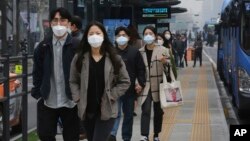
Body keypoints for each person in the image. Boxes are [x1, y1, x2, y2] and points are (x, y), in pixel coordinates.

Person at [69, 21, 131, 141]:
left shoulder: (114, 58)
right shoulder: (79, 58)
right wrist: (77, 97)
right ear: (86, 37)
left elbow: (125, 81)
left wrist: (112, 95)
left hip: (107, 110)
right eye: (91, 33)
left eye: (98, 33)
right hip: (87, 110)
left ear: (104, 36)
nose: (94, 36)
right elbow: (73, 80)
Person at [31, 8, 79, 141]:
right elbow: (37, 71)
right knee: (45, 135)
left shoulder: (77, 46)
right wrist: (38, 92)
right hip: (48, 99)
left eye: (63, 20)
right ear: (51, 23)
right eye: (55, 20)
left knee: (72, 136)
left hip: (70, 100)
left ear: (69, 24)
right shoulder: (42, 47)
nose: (59, 24)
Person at [107, 26, 146, 141]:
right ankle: (112, 135)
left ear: (129, 37)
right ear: (115, 37)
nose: (121, 38)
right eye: (119, 36)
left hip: (129, 89)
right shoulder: (111, 52)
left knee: (128, 115)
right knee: (115, 114)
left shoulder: (134, 52)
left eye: (124, 35)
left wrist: (141, 83)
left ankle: (126, 137)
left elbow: (141, 69)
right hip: (114, 89)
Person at [139, 26, 171, 141]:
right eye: (146, 33)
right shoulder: (140, 52)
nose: (148, 35)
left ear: (155, 35)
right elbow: (138, 70)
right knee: (146, 110)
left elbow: (171, 70)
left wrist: (165, 62)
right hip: (146, 86)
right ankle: (144, 135)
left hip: (159, 85)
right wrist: (138, 83)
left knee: (158, 111)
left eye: (150, 33)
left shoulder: (163, 50)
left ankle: (156, 134)